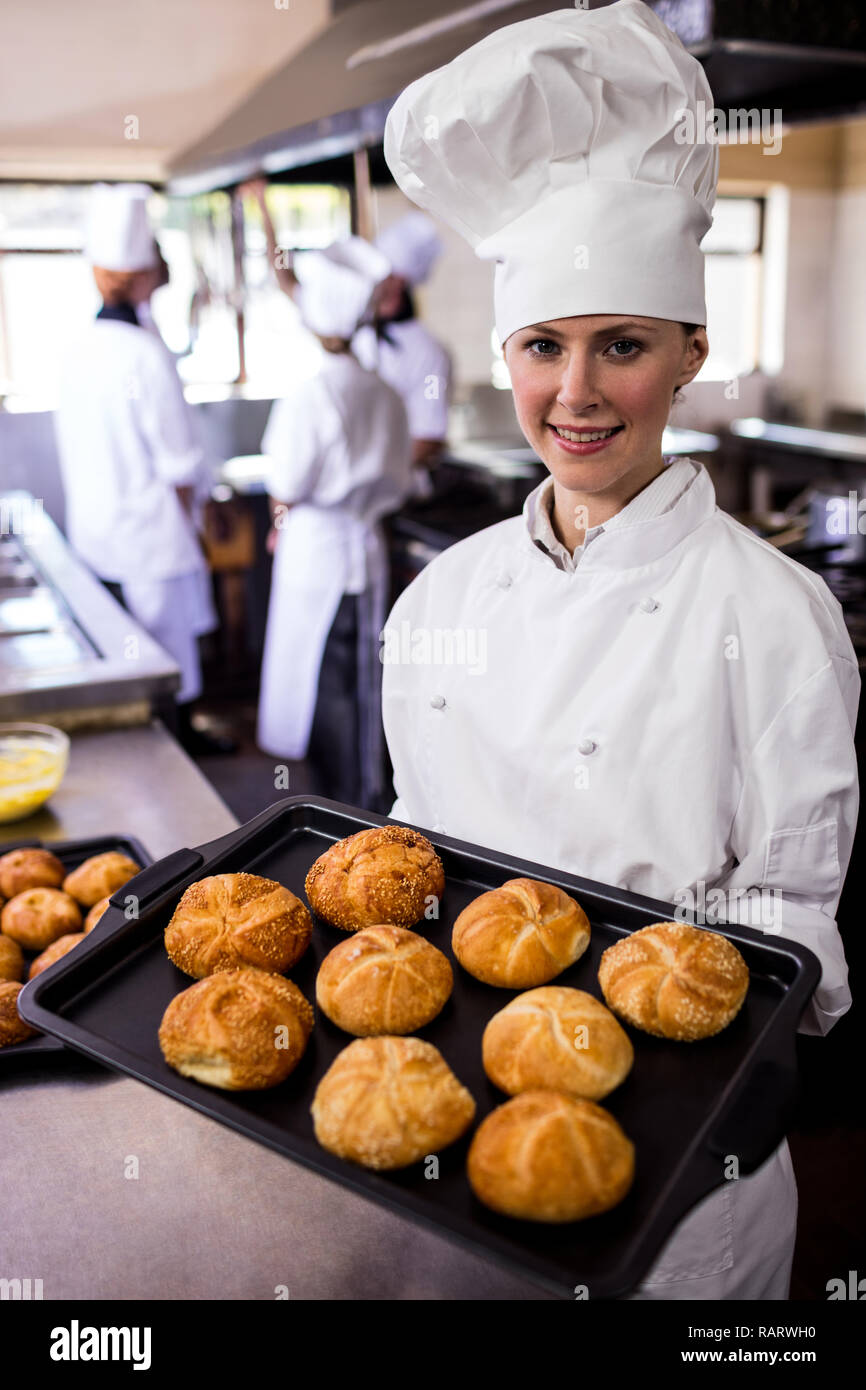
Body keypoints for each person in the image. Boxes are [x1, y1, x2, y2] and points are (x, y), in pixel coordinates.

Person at [380, 0, 859, 1299]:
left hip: (680, 1171)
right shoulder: (437, 604)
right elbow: (412, 856)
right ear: (507, 353)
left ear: (689, 353)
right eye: (543, 345)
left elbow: (788, 924)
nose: (576, 391)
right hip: (452, 1135)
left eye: (623, 345)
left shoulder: (772, 614)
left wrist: (651, 1073)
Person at [54, 183, 229, 756]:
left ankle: (168, 748)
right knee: (167, 664)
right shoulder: (144, 355)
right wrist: (195, 528)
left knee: (134, 664)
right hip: (153, 538)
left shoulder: (77, 348)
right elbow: (180, 466)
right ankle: (179, 754)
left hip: (98, 536)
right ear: (137, 276)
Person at [256, 237, 413, 811]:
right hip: (365, 547)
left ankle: (334, 806)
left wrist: (279, 516)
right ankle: (362, 794)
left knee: (325, 686)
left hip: (319, 554)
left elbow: (288, 483)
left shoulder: (312, 393)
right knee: (360, 683)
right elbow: (399, 477)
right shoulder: (386, 392)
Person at [359, 213, 453, 492]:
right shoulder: (362, 335)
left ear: (400, 283)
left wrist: (373, 480)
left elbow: (429, 438)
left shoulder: (429, 353)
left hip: (399, 492)